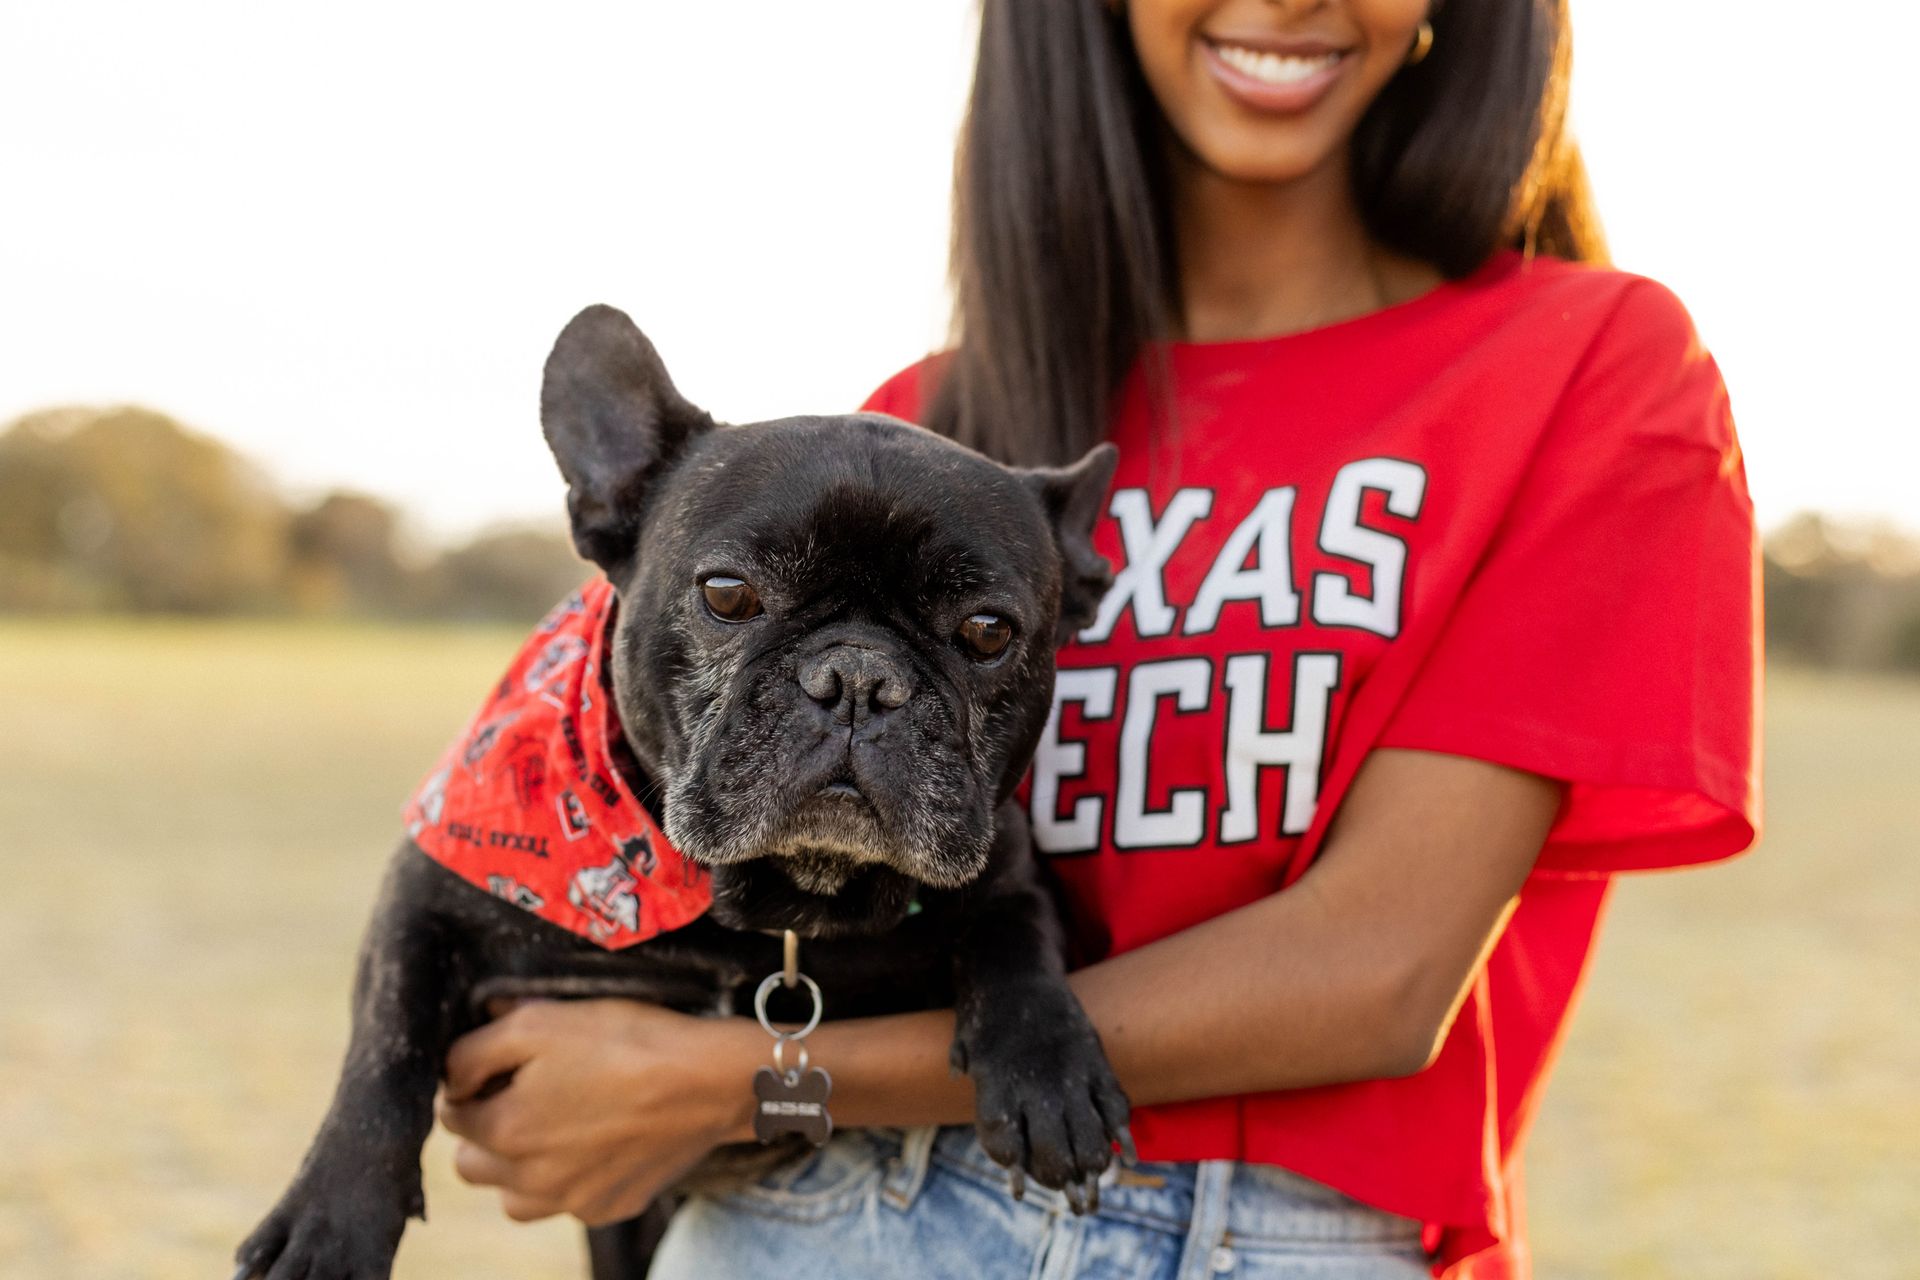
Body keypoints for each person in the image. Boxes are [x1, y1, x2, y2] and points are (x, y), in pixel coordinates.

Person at [435, 0, 1761, 1275]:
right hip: (813, 1223)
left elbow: (1384, 971)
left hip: (1279, 1242)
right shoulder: (931, 430)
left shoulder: (1586, 366)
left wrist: (748, 1083)